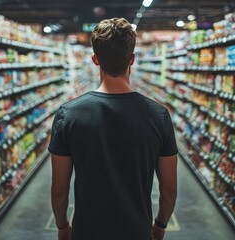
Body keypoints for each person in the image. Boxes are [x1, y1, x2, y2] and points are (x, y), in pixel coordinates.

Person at [49, 17, 178, 240]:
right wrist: (160, 225)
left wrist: (62, 226)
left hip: (86, 232)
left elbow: (60, 188)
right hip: (137, 231)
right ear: (132, 60)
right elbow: (169, 189)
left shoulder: (67, 114)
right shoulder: (159, 115)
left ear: (95, 60)